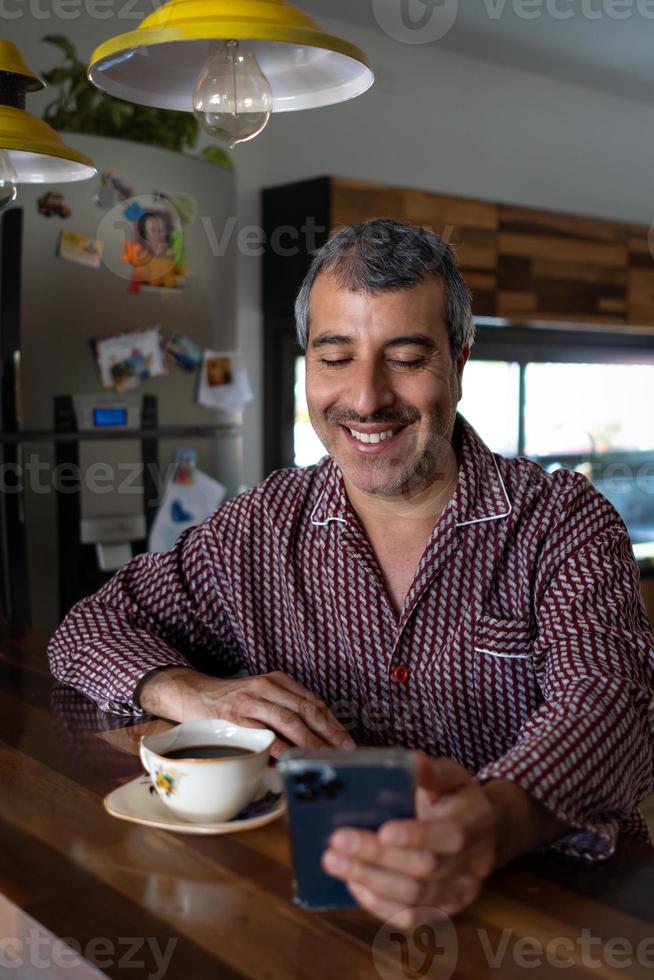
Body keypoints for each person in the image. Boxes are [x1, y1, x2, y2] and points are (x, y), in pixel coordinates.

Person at [49, 219, 654, 926]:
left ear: (458, 361)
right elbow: (88, 628)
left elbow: (613, 706)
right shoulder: (260, 527)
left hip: (540, 921)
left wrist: (492, 821)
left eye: (405, 356)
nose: (366, 399)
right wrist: (194, 694)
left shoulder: (560, 521)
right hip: (308, 915)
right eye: (335, 357)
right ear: (307, 362)